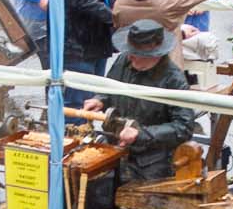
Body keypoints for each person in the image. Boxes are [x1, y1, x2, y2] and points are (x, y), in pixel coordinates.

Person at [82, 19, 199, 186]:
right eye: (130, 51)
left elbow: (183, 127)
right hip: (116, 148)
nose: (130, 56)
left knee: (143, 203)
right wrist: (100, 100)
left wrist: (141, 134)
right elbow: (110, 88)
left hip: (153, 160)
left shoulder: (173, 80)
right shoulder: (125, 61)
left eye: (136, 53)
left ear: (155, 54)